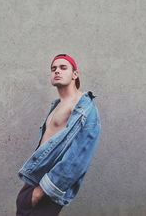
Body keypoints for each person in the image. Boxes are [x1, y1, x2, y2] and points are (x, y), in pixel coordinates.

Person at [16, 54, 101, 216]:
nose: (57, 71)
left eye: (63, 68)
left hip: (49, 186)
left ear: (75, 74)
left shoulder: (85, 107)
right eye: (53, 69)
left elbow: (78, 158)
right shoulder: (57, 105)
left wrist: (41, 191)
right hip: (33, 179)